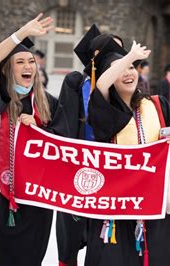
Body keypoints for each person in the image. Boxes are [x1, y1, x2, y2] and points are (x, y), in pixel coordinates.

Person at [0, 14, 68, 266]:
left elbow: (64, 144)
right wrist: (20, 33)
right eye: (19, 61)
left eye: (31, 61)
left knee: (26, 254)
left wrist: (42, 131)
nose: (27, 66)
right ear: (8, 68)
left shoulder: (49, 104)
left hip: (35, 198)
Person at [84, 38, 170, 266]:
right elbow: (101, 86)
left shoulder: (156, 104)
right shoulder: (105, 109)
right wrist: (129, 57)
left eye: (132, 67)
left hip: (156, 202)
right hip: (118, 204)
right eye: (120, 69)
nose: (127, 72)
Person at [55, 24, 125, 266]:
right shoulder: (76, 82)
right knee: (71, 231)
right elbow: (62, 124)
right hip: (77, 169)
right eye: (107, 50)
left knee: (104, 236)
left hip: (112, 172)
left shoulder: (126, 89)